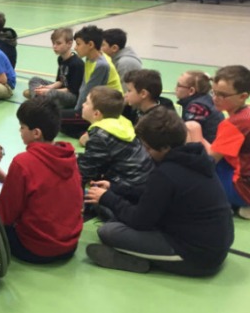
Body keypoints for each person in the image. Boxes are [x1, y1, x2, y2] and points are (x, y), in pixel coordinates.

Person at [85, 109, 234, 276]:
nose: (147, 154)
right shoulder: (195, 158)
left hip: (198, 258)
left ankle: (142, 260)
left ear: (164, 148)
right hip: (215, 246)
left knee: (108, 231)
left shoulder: (167, 172)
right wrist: (115, 189)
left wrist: (107, 198)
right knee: (119, 218)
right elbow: (153, 194)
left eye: (149, 149)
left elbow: (140, 221)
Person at [0, 97, 82, 263]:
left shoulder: (23, 162)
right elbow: (45, 191)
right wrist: (6, 179)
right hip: (69, 246)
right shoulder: (68, 156)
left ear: (36, 133)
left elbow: (4, 216)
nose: (20, 131)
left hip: (35, 249)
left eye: (22, 127)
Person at [188, 65, 250, 219]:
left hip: (243, 189)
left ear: (242, 96)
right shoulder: (246, 114)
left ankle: (232, 202)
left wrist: (196, 132)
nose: (215, 98)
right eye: (213, 92)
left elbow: (209, 160)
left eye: (222, 95)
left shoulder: (235, 124)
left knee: (192, 175)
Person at [77, 87, 153, 196]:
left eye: (87, 103)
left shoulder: (100, 136)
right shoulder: (121, 122)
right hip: (142, 182)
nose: (83, 105)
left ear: (96, 114)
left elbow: (84, 172)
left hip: (126, 190)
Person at [59, 25, 122, 139]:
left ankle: (92, 135)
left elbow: (89, 92)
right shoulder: (90, 58)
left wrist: (77, 112)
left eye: (78, 44)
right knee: (61, 120)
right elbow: (84, 86)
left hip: (106, 110)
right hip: (94, 104)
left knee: (54, 118)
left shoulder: (101, 65)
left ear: (91, 45)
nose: (75, 48)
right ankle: (84, 132)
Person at [24, 27, 84, 110]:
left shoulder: (77, 64)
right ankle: (39, 97)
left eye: (58, 43)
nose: (54, 46)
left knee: (52, 94)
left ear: (69, 44)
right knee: (34, 80)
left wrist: (48, 91)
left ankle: (37, 99)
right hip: (61, 89)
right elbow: (60, 81)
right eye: (53, 43)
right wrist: (47, 88)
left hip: (72, 96)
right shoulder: (60, 59)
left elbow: (72, 90)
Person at [175, 70, 223, 143]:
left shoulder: (197, 107)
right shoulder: (206, 100)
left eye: (178, 85)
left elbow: (191, 137)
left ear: (191, 91)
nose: (176, 88)